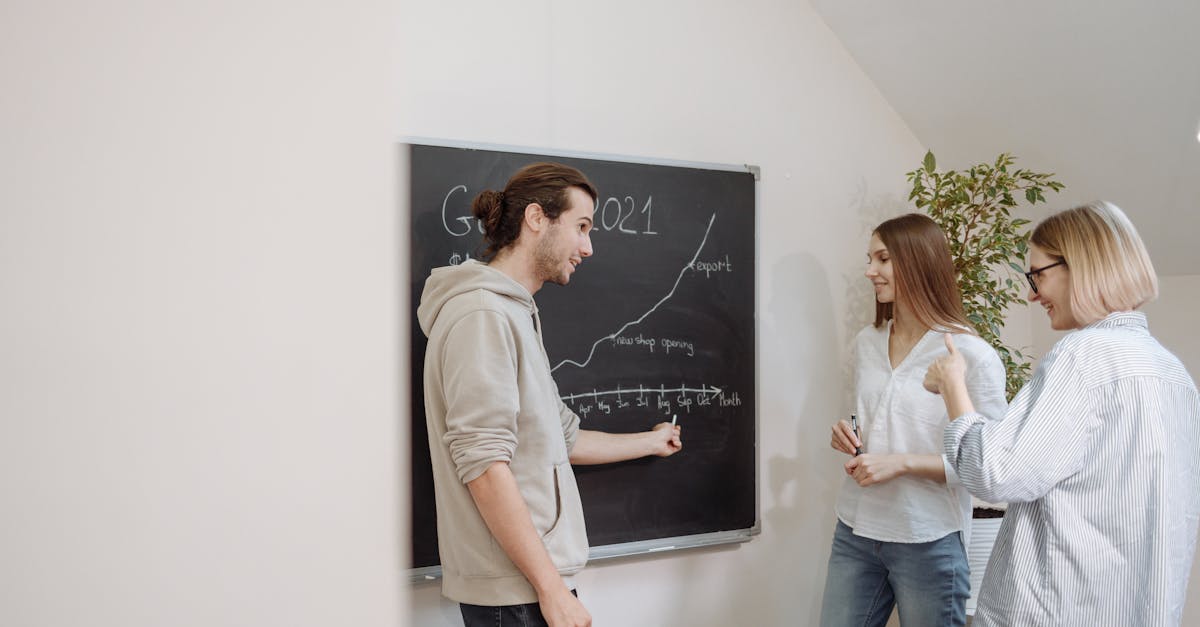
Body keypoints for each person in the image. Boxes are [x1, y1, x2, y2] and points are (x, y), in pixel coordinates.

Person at [417, 162, 683, 627]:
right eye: (581, 227)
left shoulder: (513, 312)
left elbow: (563, 437)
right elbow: (484, 466)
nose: (588, 246)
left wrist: (650, 441)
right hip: (516, 592)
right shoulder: (483, 315)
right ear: (537, 218)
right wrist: (551, 590)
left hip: (528, 585)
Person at [925, 201, 1200, 626]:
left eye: (1037, 274)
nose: (1032, 293)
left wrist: (953, 385)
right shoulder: (1173, 374)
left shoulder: (1083, 357)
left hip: (1055, 609)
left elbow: (996, 474)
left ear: (1082, 266)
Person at [820, 213, 1007, 627]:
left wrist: (901, 463)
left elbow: (989, 466)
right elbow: (872, 416)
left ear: (918, 261)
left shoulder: (970, 354)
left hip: (928, 538)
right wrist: (848, 432)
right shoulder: (867, 342)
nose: (870, 271)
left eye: (882, 259)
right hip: (856, 529)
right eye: (870, 259)